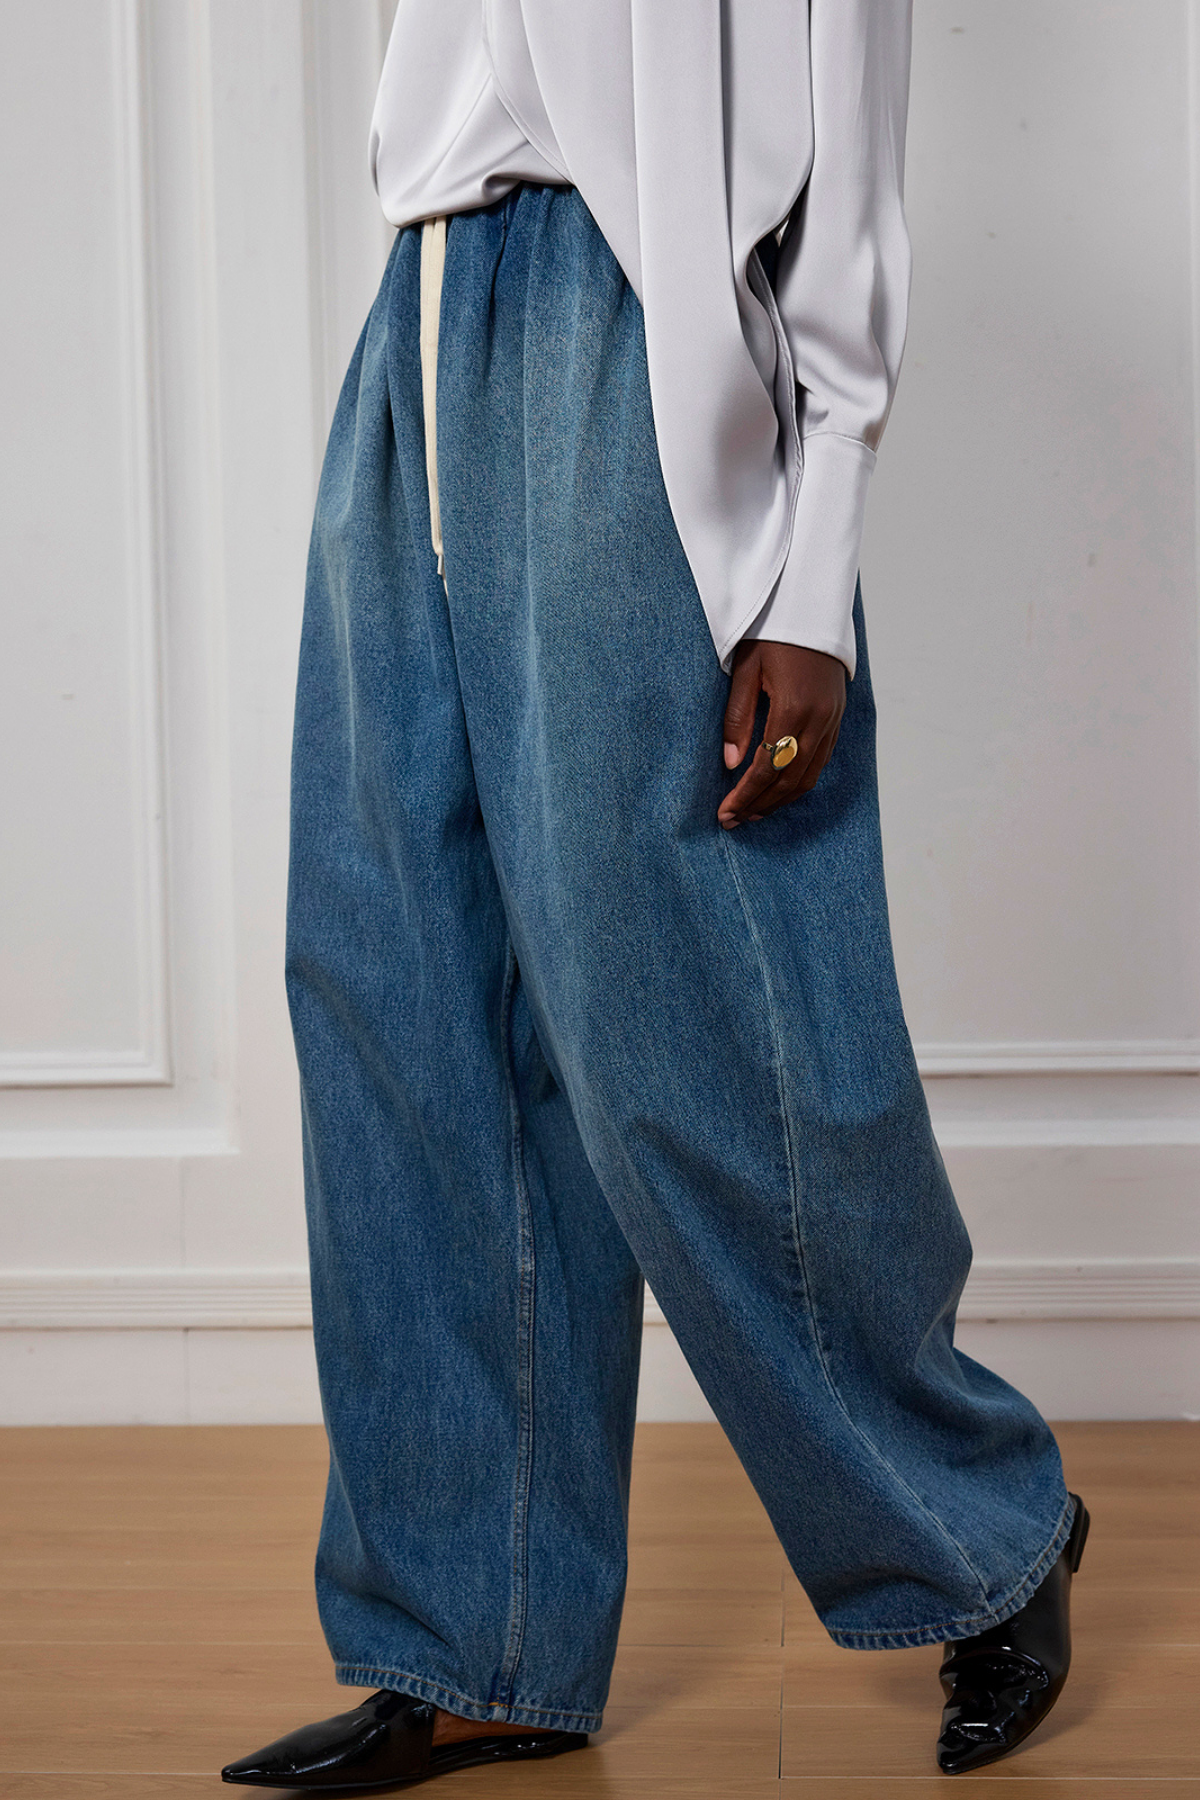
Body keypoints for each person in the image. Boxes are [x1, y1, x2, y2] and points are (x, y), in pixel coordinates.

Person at [222, 1, 1089, 1787]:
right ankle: (477, 1634)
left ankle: (981, 1531)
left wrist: (812, 576)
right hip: (422, 311)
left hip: (631, 330)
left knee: (693, 1030)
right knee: (400, 996)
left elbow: (846, 157)